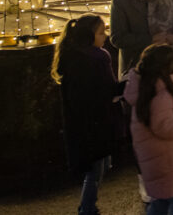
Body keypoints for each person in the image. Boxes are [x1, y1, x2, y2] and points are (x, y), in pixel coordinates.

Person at [51, 15, 122, 215]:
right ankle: (87, 208)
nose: (105, 36)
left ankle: (88, 206)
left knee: (97, 166)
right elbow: (109, 89)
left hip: (81, 123)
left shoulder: (70, 57)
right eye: (101, 33)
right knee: (97, 168)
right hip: (97, 122)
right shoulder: (98, 58)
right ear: (89, 36)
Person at [124, 44, 173, 214]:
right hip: (167, 160)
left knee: (161, 202)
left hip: (155, 160)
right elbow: (165, 128)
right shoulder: (162, 94)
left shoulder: (145, 87)